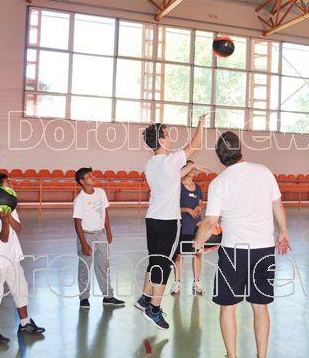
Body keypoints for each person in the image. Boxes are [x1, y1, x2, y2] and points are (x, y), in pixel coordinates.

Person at [195, 131, 291, 358]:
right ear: (240, 149)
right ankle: (262, 356)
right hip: (264, 251)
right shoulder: (264, 172)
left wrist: (197, 244)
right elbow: (278, 205)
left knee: (228, 306)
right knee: (260, 306)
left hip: (234, 252)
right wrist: (283, 233)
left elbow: (210, 222)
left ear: (219, 156)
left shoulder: (219, 183)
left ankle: (232, 355)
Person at [134, 115, 209, 330]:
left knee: (154, 260)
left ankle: (145, 298)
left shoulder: (151, 164)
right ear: (160, 140)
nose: (170, 138)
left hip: (152, 219)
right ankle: (154, 309)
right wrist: (201, 124)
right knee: (164, 264)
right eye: (167, 135)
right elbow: (195, 145)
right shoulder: (171, 160)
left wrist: (193, 167)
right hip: (168, 221)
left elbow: (176, 174)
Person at [0, 173, 45, 346]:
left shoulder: (10, 207)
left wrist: (8, 216)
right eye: (8, 182)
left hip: (12, 258)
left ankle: (25, 324)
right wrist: (4, 219)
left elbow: (18, 228)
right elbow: (3, 237)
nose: (11, 184)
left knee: (21, 290)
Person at [73, 167, 124, 309]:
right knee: (85, 268)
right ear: (82, 181)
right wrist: (84, 244)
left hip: (101, 234)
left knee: (104, 266)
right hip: (86, 235)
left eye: (93, 174)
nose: (93, 177)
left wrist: (108, 231)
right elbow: (77, 224)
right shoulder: (79, 200)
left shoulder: (101, 192)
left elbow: (105, 213)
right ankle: (84, 298)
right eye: (89, 176)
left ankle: (108, 296)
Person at [170, 161, 205, 296]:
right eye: (190, 168)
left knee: (198, 254)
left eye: (194, 168)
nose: (193, 170)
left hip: (196, 227)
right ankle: (177, 282)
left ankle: (197, 282)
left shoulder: (198, 187)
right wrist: (187, 209)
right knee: (179, 255)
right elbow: (172, 206)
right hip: (182, 226)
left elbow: (201, 203)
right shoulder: (178, 186)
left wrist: (200, 207)